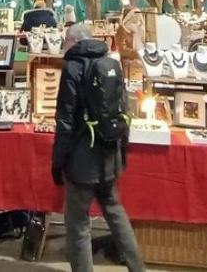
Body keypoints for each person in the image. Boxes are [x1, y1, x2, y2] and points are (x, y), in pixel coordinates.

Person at [52, 23, 144, 272]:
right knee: (116, 214)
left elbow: (65, 120)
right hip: (108, 156)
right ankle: (138, 268)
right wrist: (121, 153)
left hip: (81, 162)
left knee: (78, 224)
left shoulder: (73, 67)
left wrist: (58, 161)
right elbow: (123, 112)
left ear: (72, 41)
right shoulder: (110, 63)